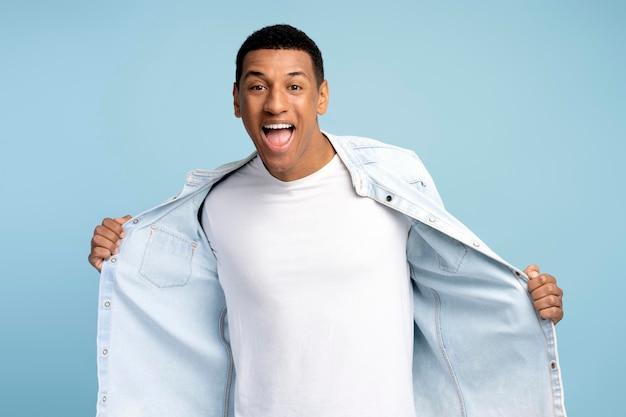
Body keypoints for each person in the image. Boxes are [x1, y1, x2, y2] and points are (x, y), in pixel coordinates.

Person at [88, 24, 565, 417]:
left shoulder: (393, 181)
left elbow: (455, 288)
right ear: (237, 101)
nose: (276, 103)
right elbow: (180, 317)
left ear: (321, 96)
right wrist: (123, 254)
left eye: (294, 86)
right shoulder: (212, 207)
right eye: (258, 86)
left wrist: (521, 305)